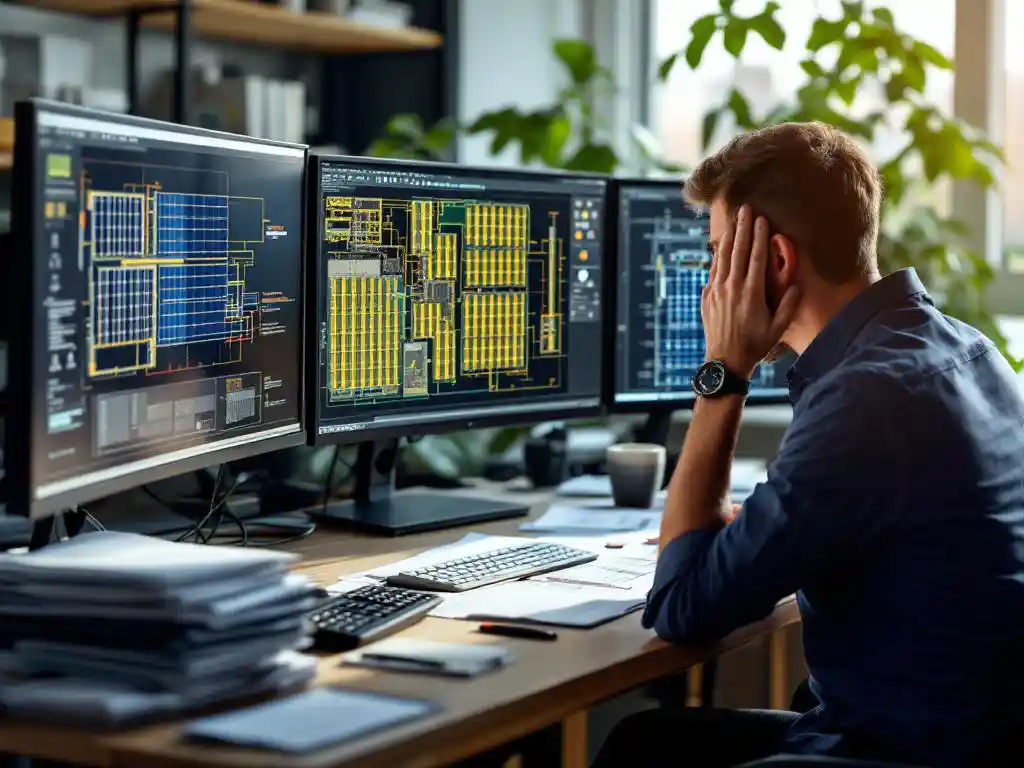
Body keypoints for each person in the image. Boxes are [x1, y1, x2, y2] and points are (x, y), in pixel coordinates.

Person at [593, 122, 1024, 768]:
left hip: (903, 752)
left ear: (776, 260)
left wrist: (723, 373)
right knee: (643, 744)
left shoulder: (864, 401)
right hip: (957, 735)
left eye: (719, 255)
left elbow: (682, 607)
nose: (712, 286)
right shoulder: (968, 349)